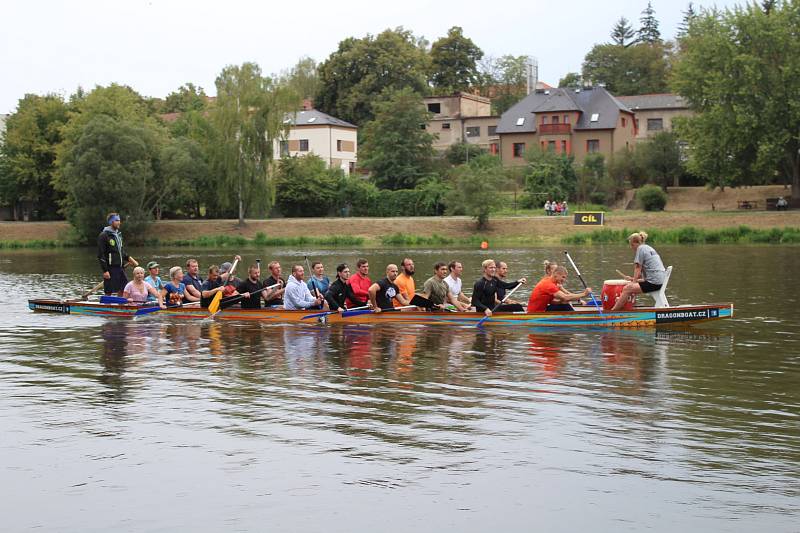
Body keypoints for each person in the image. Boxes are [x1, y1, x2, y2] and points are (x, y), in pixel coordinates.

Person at [612, 231, 667, 311]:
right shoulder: (648, 247)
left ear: (636, 243)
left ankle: (612, 312)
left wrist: (633, 283)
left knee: (627, 289)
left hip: (654, 283)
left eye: (632, 245)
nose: (631, 247)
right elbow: (645, 277)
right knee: (630, 287)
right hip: (660, 280)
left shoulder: (640, 249)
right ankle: (623, 307)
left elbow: (637, 268)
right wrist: (633, 279)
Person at [97, 213, 137, 296]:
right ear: (111, 222)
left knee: (124, 288)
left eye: (119, 220)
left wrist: (131, 259)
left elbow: (121, 252)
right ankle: (106, 306)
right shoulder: (104, 235)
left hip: (120, 267)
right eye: (116, 220)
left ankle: (120, 305)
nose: (119, 222)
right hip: (110, 268)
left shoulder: (118, 235)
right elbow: (101, 254)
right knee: (109, 290)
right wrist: (105, 271)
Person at [527, 265, 591, 312]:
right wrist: (584, 294)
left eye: (565, 278)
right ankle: (576, 319)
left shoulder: (550, 281)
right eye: (563, 277)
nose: (564, 280)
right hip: (535, 312)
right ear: (556, 274)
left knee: (564, 303)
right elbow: (566, 297)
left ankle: (573, 318)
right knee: (565, 305)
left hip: (541, 309)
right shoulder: (549, 285)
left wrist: (560, 302)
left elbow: (551, 301)